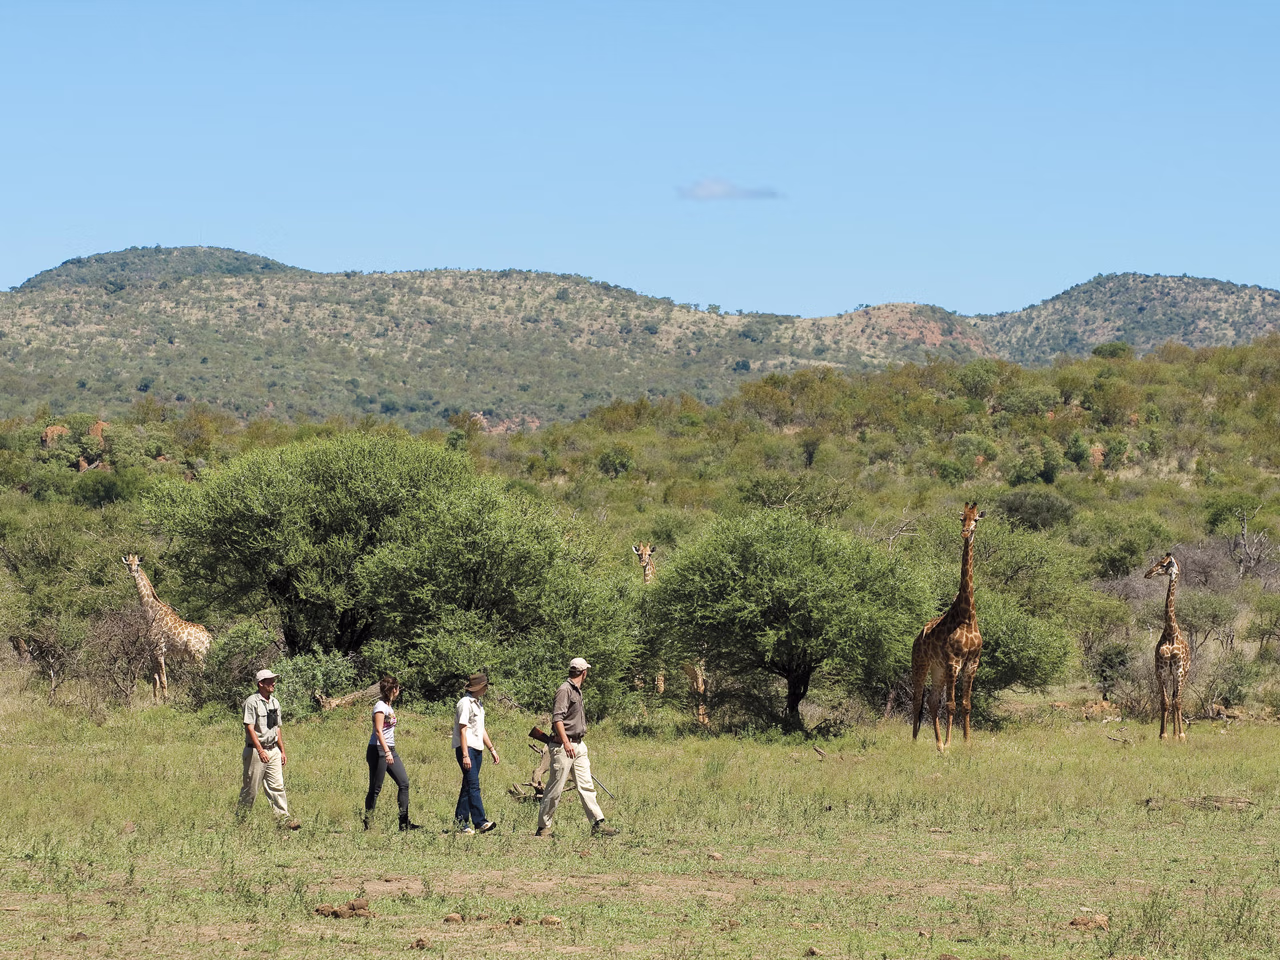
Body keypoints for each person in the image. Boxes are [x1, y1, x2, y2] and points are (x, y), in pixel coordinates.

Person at [535, 657, 618, 837]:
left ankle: (598, 823)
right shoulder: (565, 690)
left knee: (586, 785)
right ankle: (543, 827)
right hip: (564, 746)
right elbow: (557, 719)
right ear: (584, 673)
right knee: (555, 788)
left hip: (579, 745)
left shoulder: (576, 690)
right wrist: (565, 742)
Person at [239, 668, 300, 829]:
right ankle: (241, 822)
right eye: (269, 681)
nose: (273, 683)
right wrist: (260, 751)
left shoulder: (274, 702)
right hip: (255, 751)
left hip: (273, 750)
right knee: (251, 789)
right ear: (261, 684)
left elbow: (277, 728)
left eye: (273, 680)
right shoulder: (252, 702)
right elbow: (250, 728)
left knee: (277, 786)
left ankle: (284, 820)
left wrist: (282, 751)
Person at [364, 675, 421, 831]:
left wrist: (390, 751)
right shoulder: (380, 706)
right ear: (393, 689)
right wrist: (387, 752)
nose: (398, 692)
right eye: (398, 689)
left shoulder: (389, 706)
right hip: (378, 749)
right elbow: (378, 731)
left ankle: (404, 823)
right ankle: (368, 824)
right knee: (375, 788)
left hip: (390, 749)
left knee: (404, 783)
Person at [453, 672, 500, 834]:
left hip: (477, 748)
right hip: (467, 749)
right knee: (473, 785)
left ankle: (460, 823)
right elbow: (463, 730)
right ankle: (480, 822)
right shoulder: (465, 703)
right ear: (480, 687)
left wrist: (492, 749)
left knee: (468, 785)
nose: (486, 689)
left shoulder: (478, 704)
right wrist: (465, 754)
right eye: (485, 686)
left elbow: (481, 729)